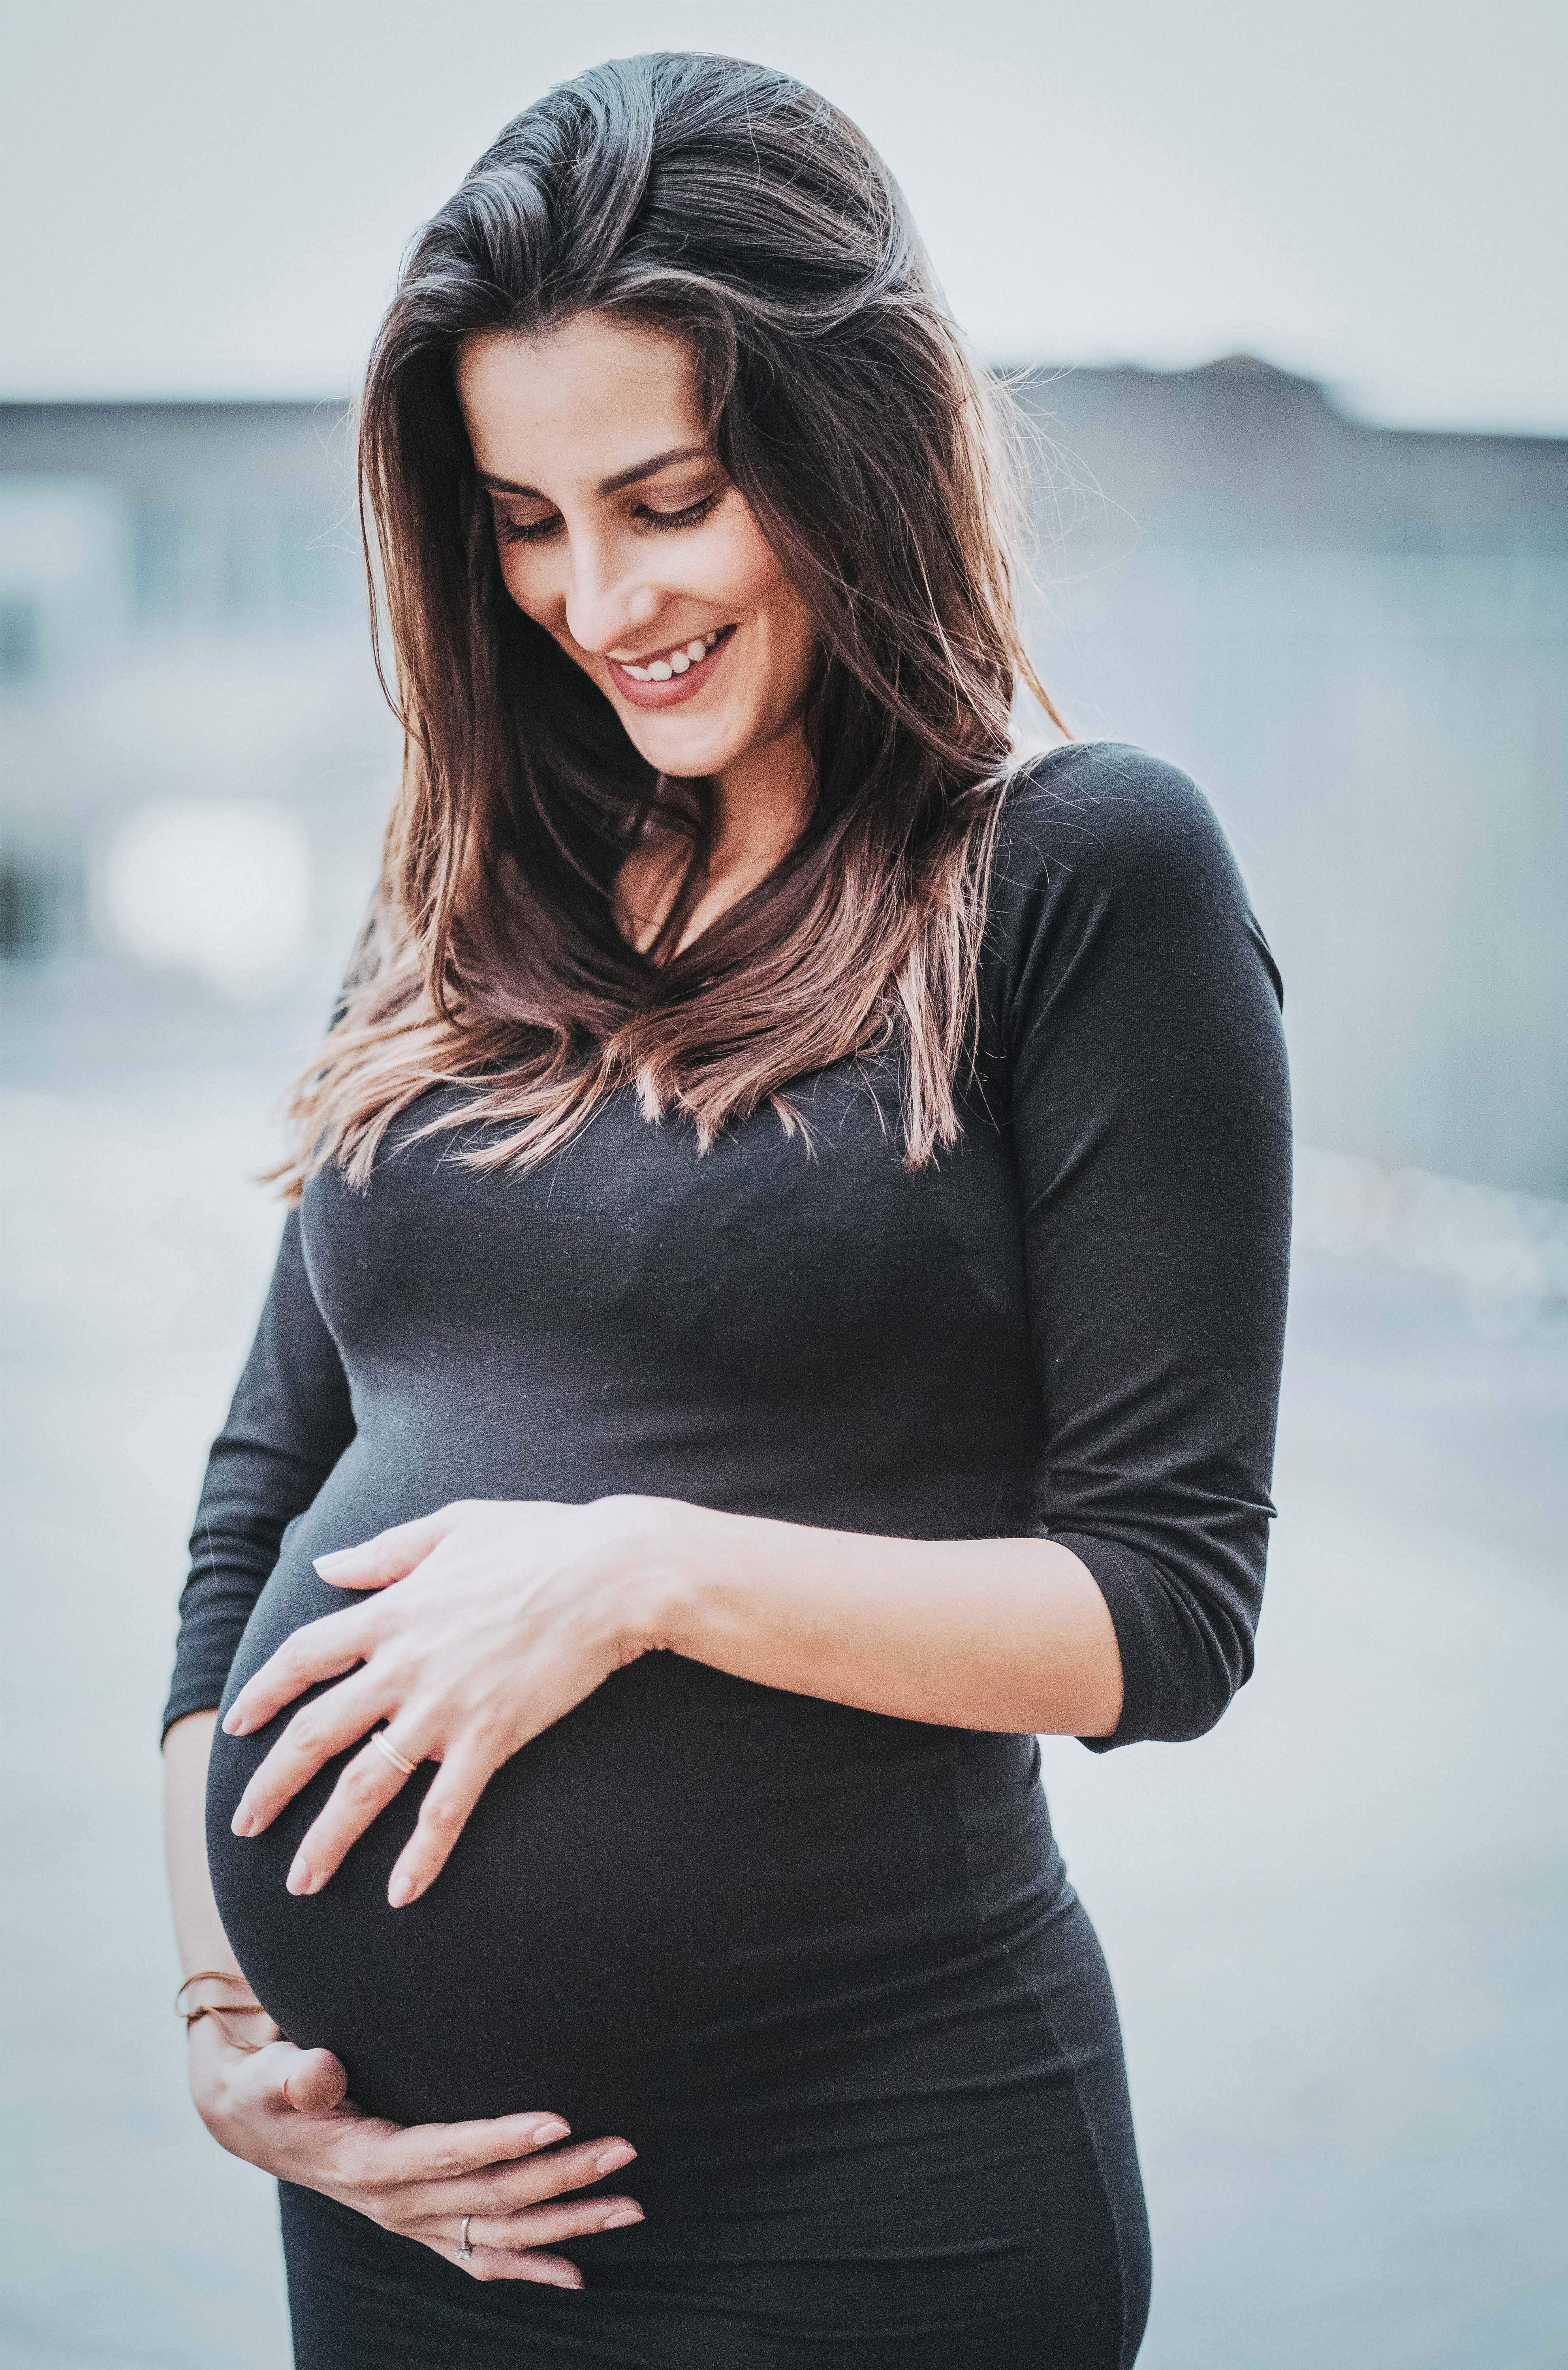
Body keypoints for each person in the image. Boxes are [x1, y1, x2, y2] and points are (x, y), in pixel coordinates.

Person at [162, 50, 1291, 2370]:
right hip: (407, 2222)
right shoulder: (466, 899)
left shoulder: (1078, 884)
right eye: (522, 517)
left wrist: (639, 1574)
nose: (596, 597)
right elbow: (261, 1487)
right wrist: (220, 2006)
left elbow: (1164, 1611)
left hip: (870, 2204)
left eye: (668, 499)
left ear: (844, 452)